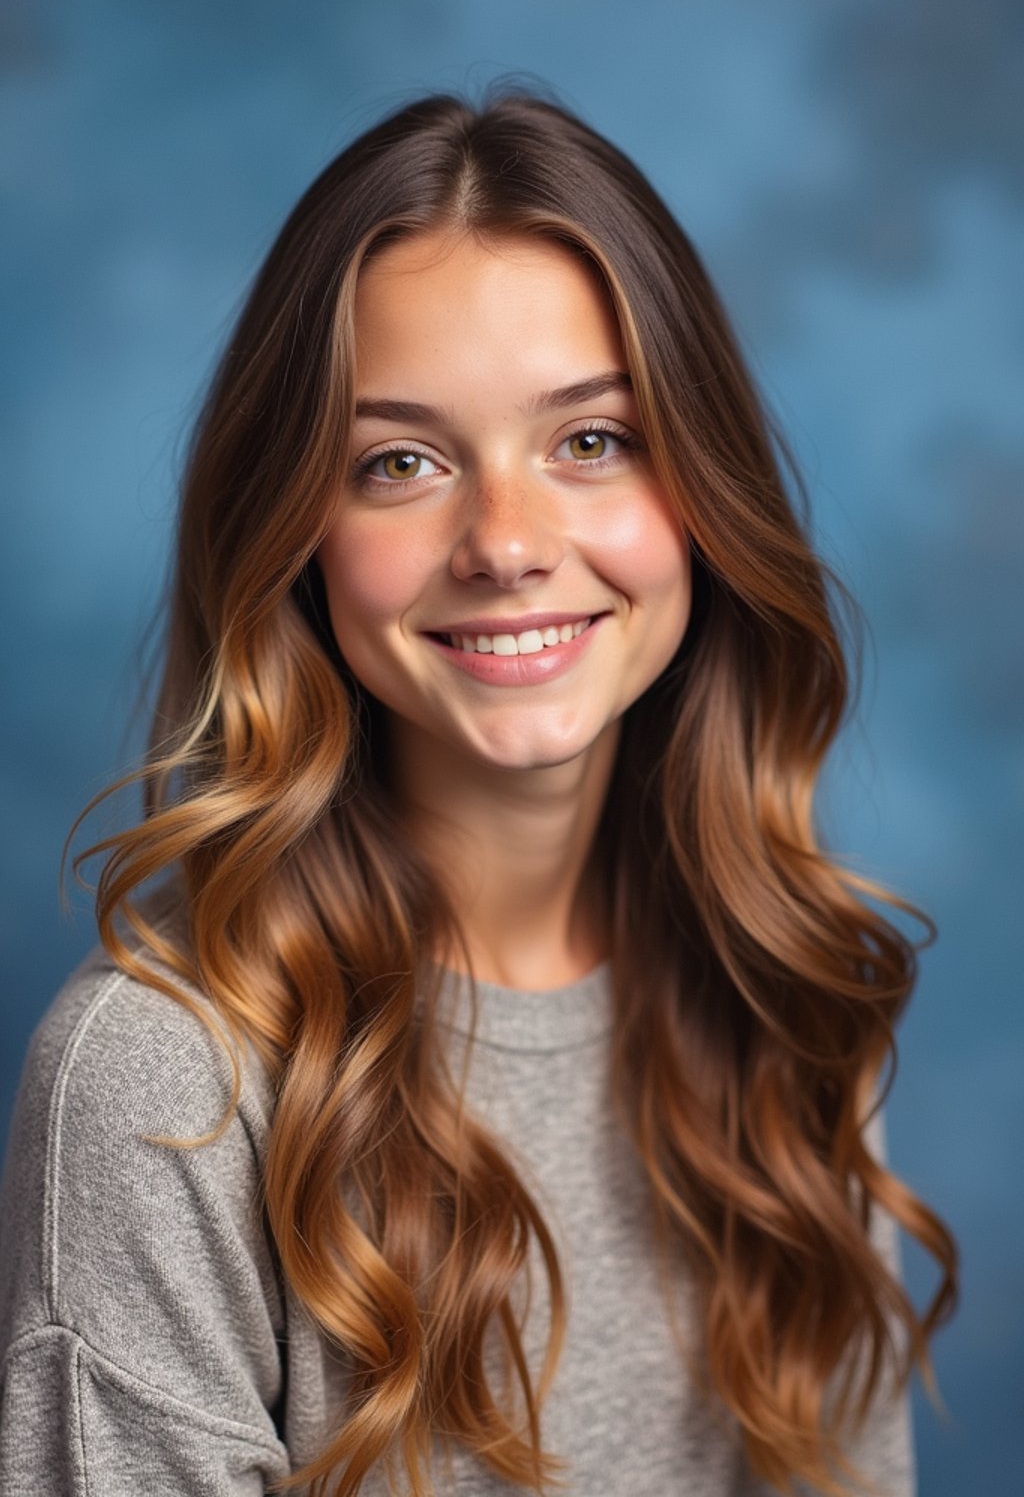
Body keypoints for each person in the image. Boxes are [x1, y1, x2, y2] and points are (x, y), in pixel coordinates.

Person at [0, 92, 957, 1497]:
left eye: (592, 440)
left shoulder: (787, 1000)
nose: (506, 543)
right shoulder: (162, 1086)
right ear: (294, 540)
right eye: (402, 462)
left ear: (703, 489)